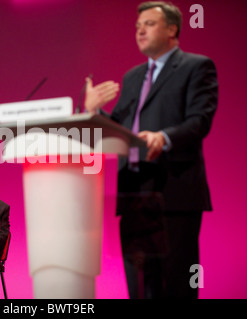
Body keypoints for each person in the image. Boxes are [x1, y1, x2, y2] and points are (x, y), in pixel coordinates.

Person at [84, 1, 218, 299]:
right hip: (134, 193)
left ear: (172, 29)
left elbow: (200, 121)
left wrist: (164, 137)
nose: (140, 30)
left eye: (149, 23)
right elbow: (119, 129)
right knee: (141, 287)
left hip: (173, 189)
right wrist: (94, 112)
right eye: (137, 26)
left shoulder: (196, 66)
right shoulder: (133, 77)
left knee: (178, 285)